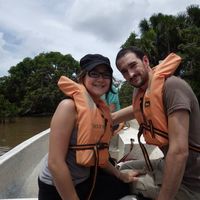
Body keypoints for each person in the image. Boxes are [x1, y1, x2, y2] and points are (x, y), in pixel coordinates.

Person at [38, 53, 140, 200]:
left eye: (106, 75)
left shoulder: (99, 111)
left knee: (122, 186)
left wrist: (121, 175)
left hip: (84, 180)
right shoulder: (68, 107)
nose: (100, 79)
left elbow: (98, 154)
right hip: (56, 188)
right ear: (82, 78)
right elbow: (55, 163)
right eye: (94, 73)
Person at [112, 46, 200, 200]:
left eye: (133, 65)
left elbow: (179, 152)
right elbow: (136, 109)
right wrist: (107, 119)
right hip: (165, 163)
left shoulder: (172, 87)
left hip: (191, 182)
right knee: (122, 170)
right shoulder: (144, 92)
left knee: (121, 182)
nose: (130, 74)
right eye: (124, 72)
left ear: (145, 61)